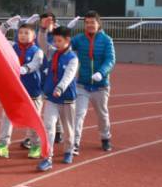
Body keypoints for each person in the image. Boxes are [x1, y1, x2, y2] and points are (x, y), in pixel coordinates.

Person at [0, 18, 44, 160]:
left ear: (33, 35)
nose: (23, 35)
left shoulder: (37, 51)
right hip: (14, 90)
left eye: (27, 33)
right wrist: (6, 25)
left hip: (32, 92)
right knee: (7, 117)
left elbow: (35, 64)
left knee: (33, 119)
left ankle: (36, 146)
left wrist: (23, 69)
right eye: (20, 32)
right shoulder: (12, 46)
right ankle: (3, 145)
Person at [71, 10, 116, 155]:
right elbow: (63, 45)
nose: (90, 25)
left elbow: (110, 60)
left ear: (98, 23)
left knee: (102, 114)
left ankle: (105, 138)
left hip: (100, 86)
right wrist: (65, 31)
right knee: (78, 114)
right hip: (82, 84)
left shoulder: (106, 40)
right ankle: (74, 143)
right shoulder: (79, 39)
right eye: (87, 23)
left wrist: (101, 73)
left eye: (93, 22)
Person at [37, 26, 78, 172]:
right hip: (52, 98)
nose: (56, 43)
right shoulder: (52, 53)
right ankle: (47, 157)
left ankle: (68, 150)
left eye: (59, 41)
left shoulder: (73, 58)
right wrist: (42, 30)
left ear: (67, 40)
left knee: (68, 128)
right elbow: (42, 43)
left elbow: (69, 75)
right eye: (54, 40)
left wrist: (60, 88)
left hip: (66, 98)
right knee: (48, 126)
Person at [38, 12, 65, 145]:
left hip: (54, 76)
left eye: (49, 22)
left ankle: (59, 131)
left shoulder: (57, 40)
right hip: (39, 74)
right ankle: (33, 136)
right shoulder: (39, 35)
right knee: (39, 106)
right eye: (44, 22)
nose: (47, 24)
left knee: (56, 105)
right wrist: (43, 29)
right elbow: (41, 41)